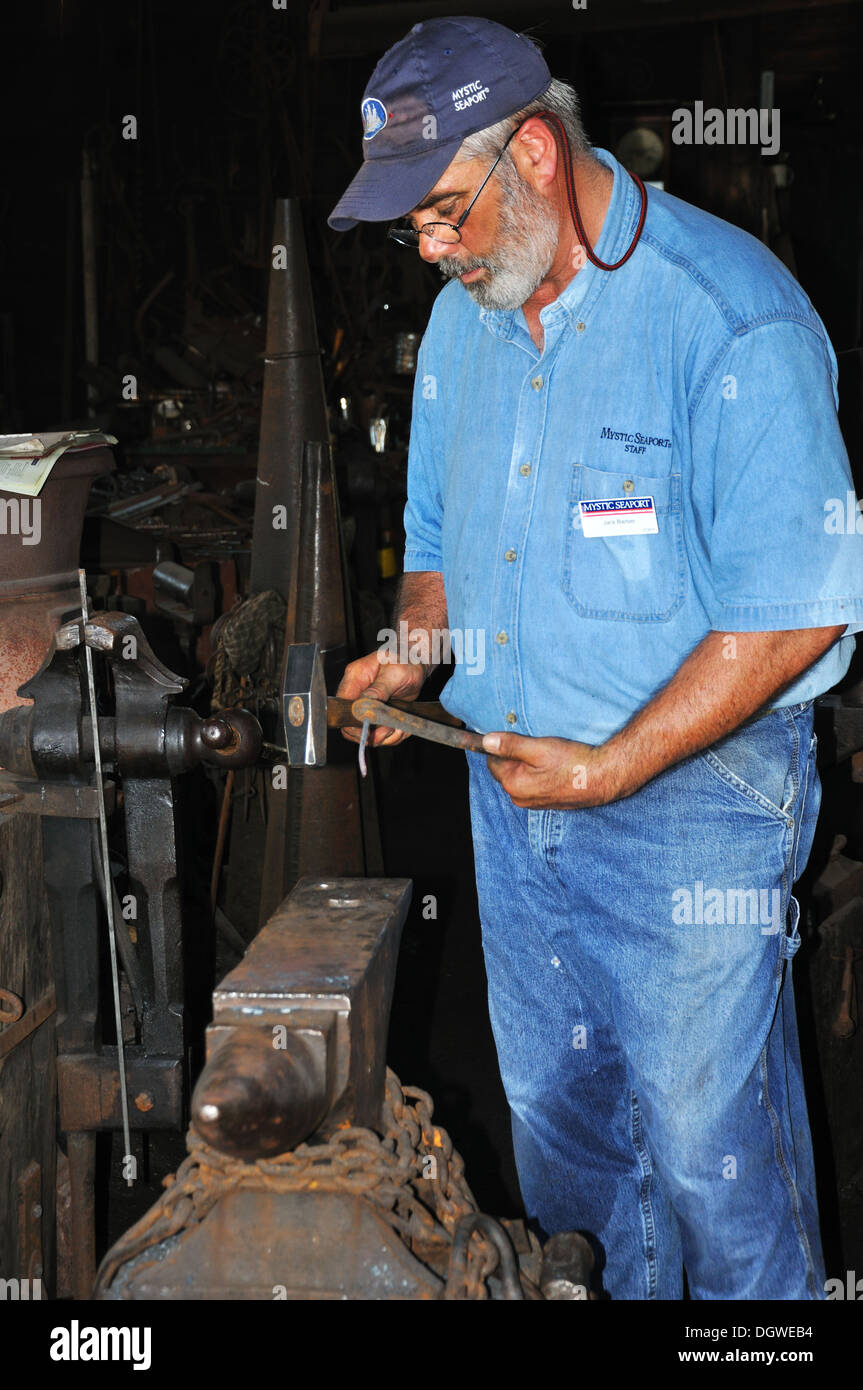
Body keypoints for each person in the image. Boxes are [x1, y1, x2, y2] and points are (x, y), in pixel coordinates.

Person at [329, 15, 863, 1299]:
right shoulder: (467, 323)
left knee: (707, 1163)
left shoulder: (727, 319)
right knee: (563, 1151)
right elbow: (438, 548)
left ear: (531, 151)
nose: (433, 251)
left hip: (695, 809)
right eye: (411, 228)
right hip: (517, 807)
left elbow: (797, 607)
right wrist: (409, 654)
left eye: (446, 212)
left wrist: (612, 766)